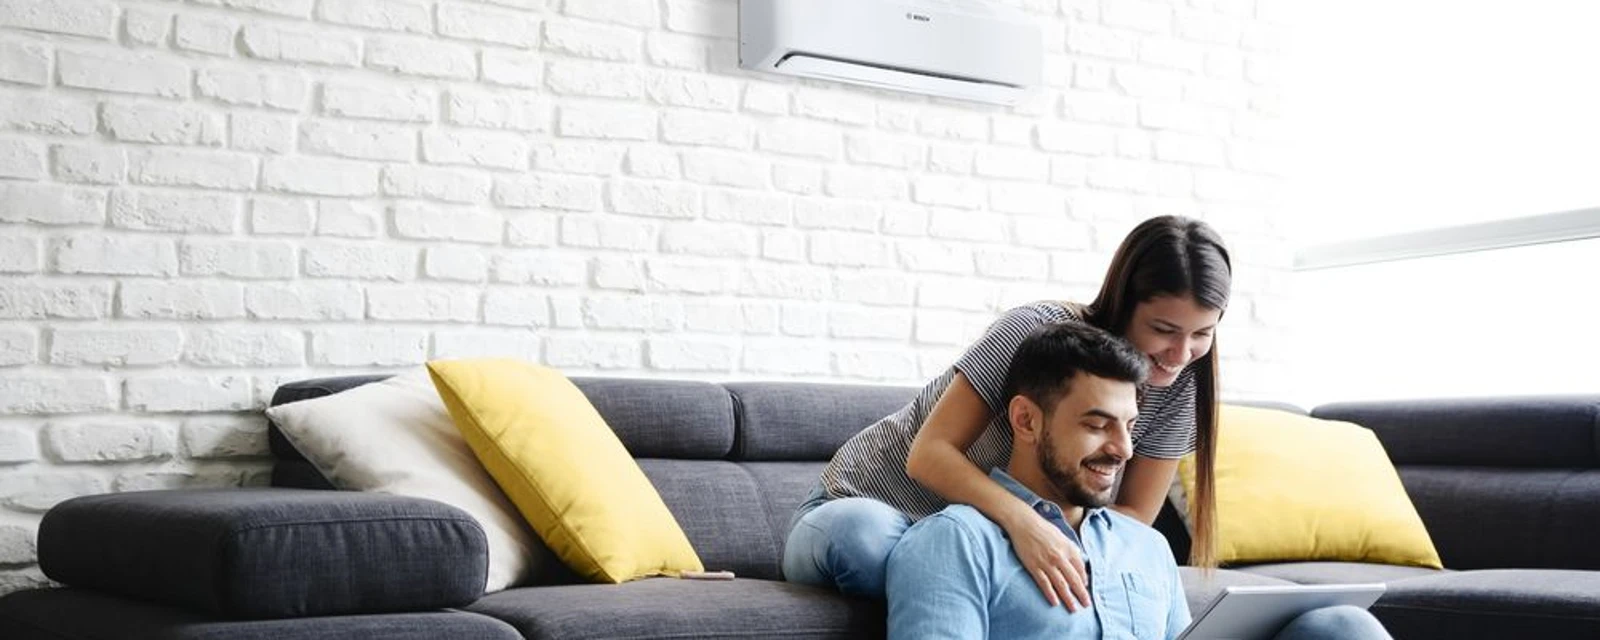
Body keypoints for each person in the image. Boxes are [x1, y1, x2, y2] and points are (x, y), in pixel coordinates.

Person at [784, 215, 1229, 606]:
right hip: (874, 508)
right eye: (1164, 330)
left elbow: (1133, 519)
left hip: (980, 544)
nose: (1180, 353)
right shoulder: (1035, 331)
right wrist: (1026, 527)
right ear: (1123, 302)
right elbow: (928, 455)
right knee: (872, 546)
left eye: (1202, 334)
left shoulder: (1180, 389)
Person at [885, 322, 1391, 640]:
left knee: (1344, 626)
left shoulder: (1144, 546)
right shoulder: (956, 542)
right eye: (1096, 424)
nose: (1123, 450)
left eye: (1128, 426)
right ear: (1025, 420)